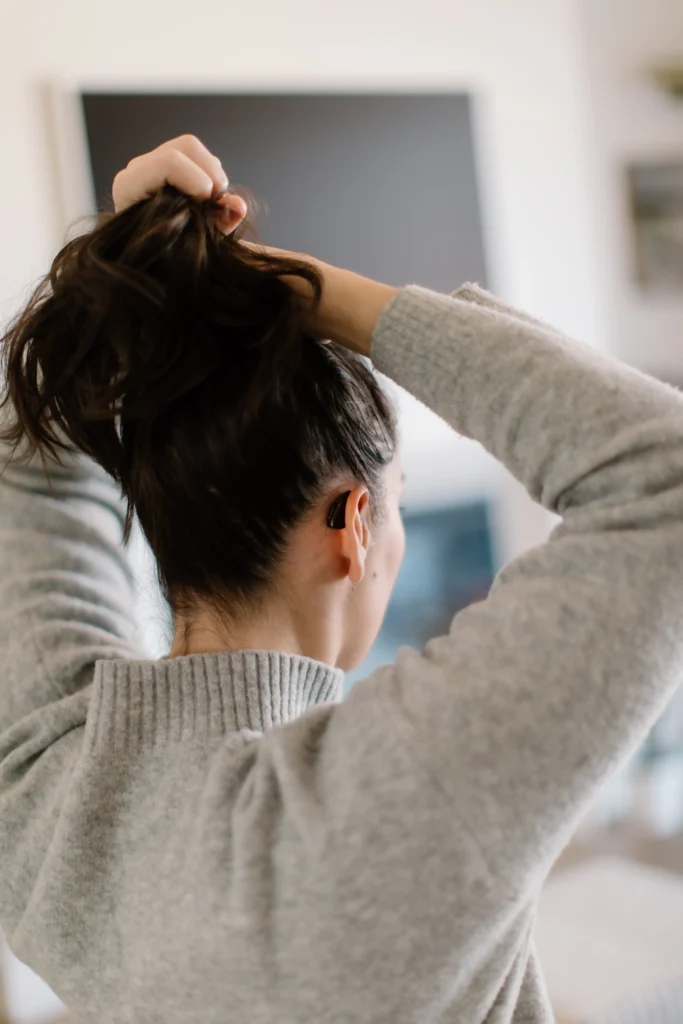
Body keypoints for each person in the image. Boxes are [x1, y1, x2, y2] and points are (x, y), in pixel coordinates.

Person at [0, 134, 682, 1024]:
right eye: (395, 504)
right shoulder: (391, 803)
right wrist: (291, 284)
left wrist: (136, 285)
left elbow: (25, 466)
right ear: (355, 527)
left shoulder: (46, 787)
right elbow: (664, 478)